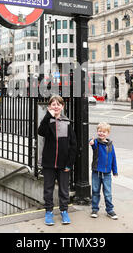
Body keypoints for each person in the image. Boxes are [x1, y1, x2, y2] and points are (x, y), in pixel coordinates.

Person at [38, 95, 77, 226]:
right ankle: (48, 212)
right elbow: (41, 132)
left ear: (62, 106)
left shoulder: (67, 122)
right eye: (53, 104)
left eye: (58, 104)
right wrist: (48, 116)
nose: (56, 106)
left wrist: (69, 163)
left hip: (63, 163)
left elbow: (73, 145)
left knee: (64, 189)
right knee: (48, 189)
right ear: (49, 107)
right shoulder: (47, 121)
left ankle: (64, 211)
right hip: (48, 163)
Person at [89, 122, 118, 220]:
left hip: (107, 174)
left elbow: (113, 158)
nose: (101, 133)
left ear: (108, 133)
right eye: (99, 131)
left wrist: (115, 171)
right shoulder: (96, 143)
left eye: (104, 132)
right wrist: (91, 142)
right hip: (96, 172)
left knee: (108, 192)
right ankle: (94, 209)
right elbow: (92, 143)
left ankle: (110, 210)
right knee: (95, 191)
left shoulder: (110, 145)